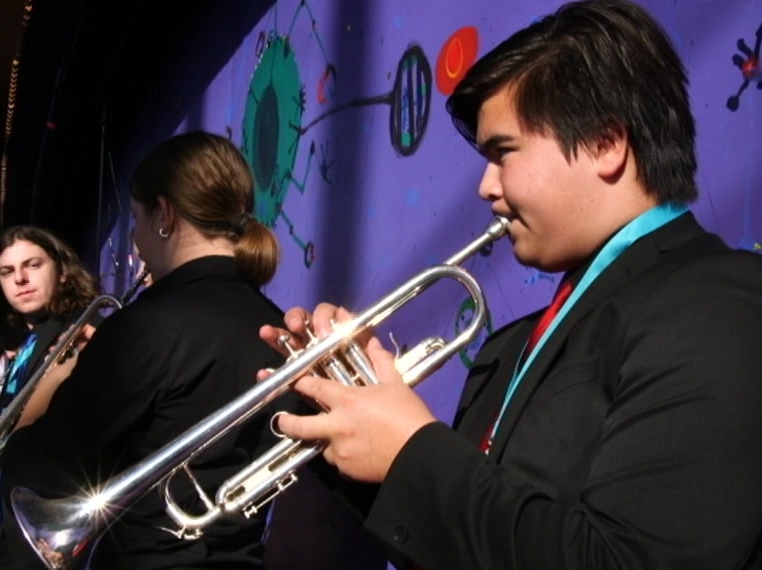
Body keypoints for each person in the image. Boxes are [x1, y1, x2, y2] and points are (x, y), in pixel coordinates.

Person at [261, 1, 762, 569]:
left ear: (605, 144)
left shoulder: (723, 304)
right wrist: (340, 419)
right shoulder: (507, 348)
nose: (484, 187)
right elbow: (465, 547)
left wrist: (411, 452)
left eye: (503, 153)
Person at [0, 130, 292, 569]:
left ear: (163, 214)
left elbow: (40, 475)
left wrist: (47, 391)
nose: (136, 235)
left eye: (135, 217)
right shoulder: (280, 329)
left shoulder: (144, 326)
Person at [0, 225, 100, 570]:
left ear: (61, 271)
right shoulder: (22, 347)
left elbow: (71, 443)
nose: (21, 279)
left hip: (44, 539)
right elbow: (2, 458)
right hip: (4, 533)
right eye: (7, 271)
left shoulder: (78, 333)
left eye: (33, 265)